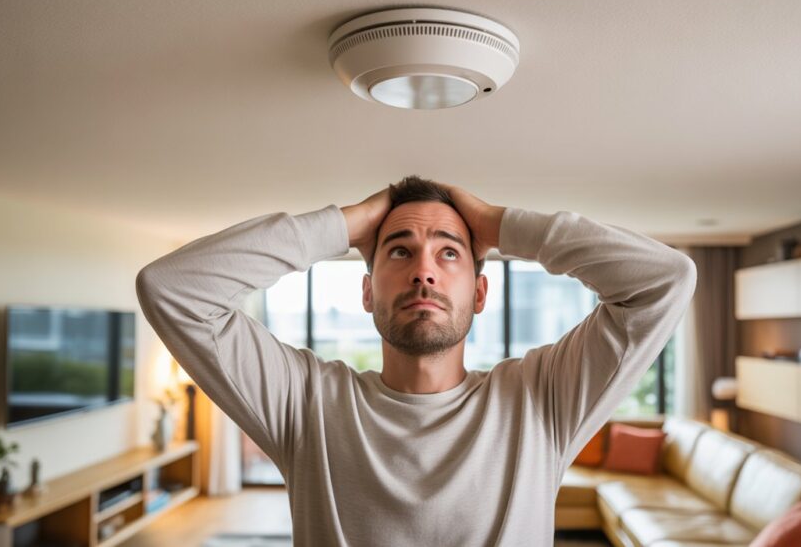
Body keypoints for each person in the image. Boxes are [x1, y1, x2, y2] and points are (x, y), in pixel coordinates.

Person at [135, 176, 697, 546]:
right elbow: (170, 288)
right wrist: (344, 223)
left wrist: (501, 225)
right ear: (366, 291)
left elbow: (665, 280)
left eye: (448, 251)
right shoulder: (305, 402)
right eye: (399, 250)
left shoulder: (540, 399)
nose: (423, 270)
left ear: (480, 293)